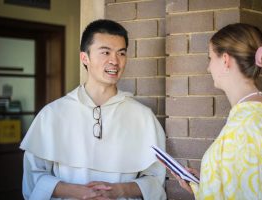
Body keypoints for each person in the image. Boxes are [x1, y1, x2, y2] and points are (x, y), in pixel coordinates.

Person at [20, 19, 166, 200]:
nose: (115, 61)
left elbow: (155, 180)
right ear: (85, 58)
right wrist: (78, 192)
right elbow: (33, 179)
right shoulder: (52, 114)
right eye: (105, 52)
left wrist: (119, 190)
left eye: (121, 53)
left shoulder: (143, 117)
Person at [172, 23, 262, 199]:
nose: (208, 68)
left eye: (210, 58)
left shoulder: (246, 125)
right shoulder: (257, 114)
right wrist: (206, 182)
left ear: (225, 60)